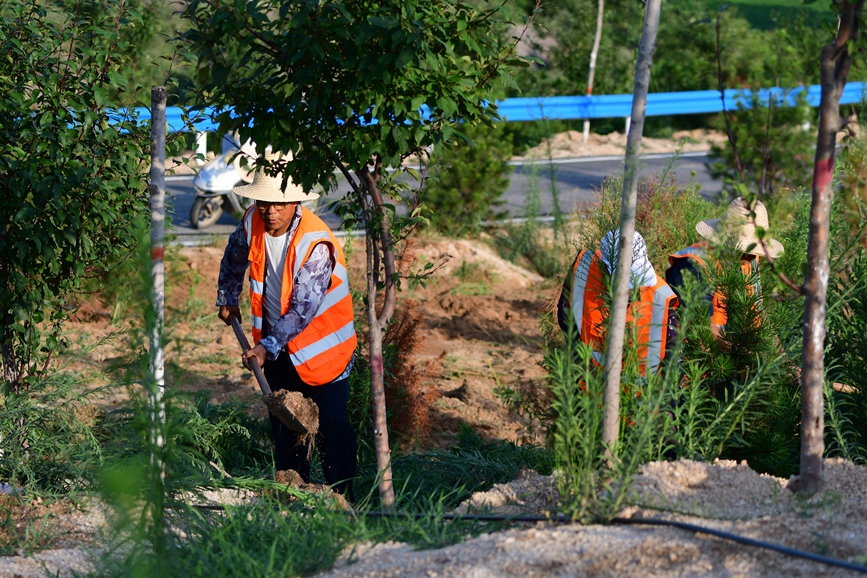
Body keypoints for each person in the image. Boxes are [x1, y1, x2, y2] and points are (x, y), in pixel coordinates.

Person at [215, 152, 357, 499]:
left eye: (279, 204)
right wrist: (227, 295)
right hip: (277, 349)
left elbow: (302, 309)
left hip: (324, 351)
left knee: (331, 426)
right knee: (285, 425)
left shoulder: (315, 243)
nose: (270, 211)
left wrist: (266, 347)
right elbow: (234, 254)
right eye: (264, 202)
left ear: (295, 201)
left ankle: (344, 497)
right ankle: (293, 495)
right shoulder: (252, 221)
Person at [558, 229, 678, 375]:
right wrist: (580, 360)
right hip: (590, 386)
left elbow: (673, 357)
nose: (631, 287)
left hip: (641, 394)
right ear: (604, 266)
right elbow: (565, 315)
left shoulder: (661, 296)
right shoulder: (584, 274)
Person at [665, 197, 784, 338]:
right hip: (690, 349)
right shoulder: (693, 265)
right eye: (747, 251)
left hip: (729, 343)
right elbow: (702, 328)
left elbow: (756, 312)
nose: (751, 257)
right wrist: (743, 352)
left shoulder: (749, 259)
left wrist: (776, 353)